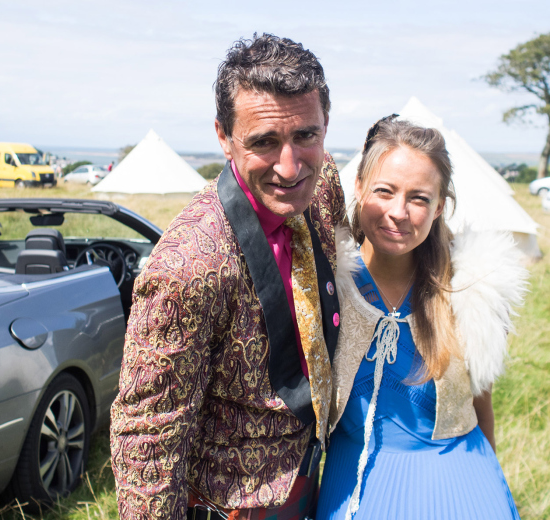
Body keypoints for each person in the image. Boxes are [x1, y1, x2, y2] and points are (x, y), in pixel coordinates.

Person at [111, 34, 346, 520]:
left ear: (325, 123)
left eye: (306, 135)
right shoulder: (185, 267)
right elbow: (148, 436)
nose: (290, 167)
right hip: (232, 508)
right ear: (223, 136)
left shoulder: (322, 184)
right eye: (264, 142)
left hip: (317, 481)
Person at [316, 116, 526, 520]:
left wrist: (493, 489)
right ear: (358, 186)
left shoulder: (470, 290)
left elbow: (480, 404)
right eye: (384, 191)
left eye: (419, 198)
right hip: (353, 488)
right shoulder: (325, 285)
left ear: (439, 207)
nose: (399, 212)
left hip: (462, 491)